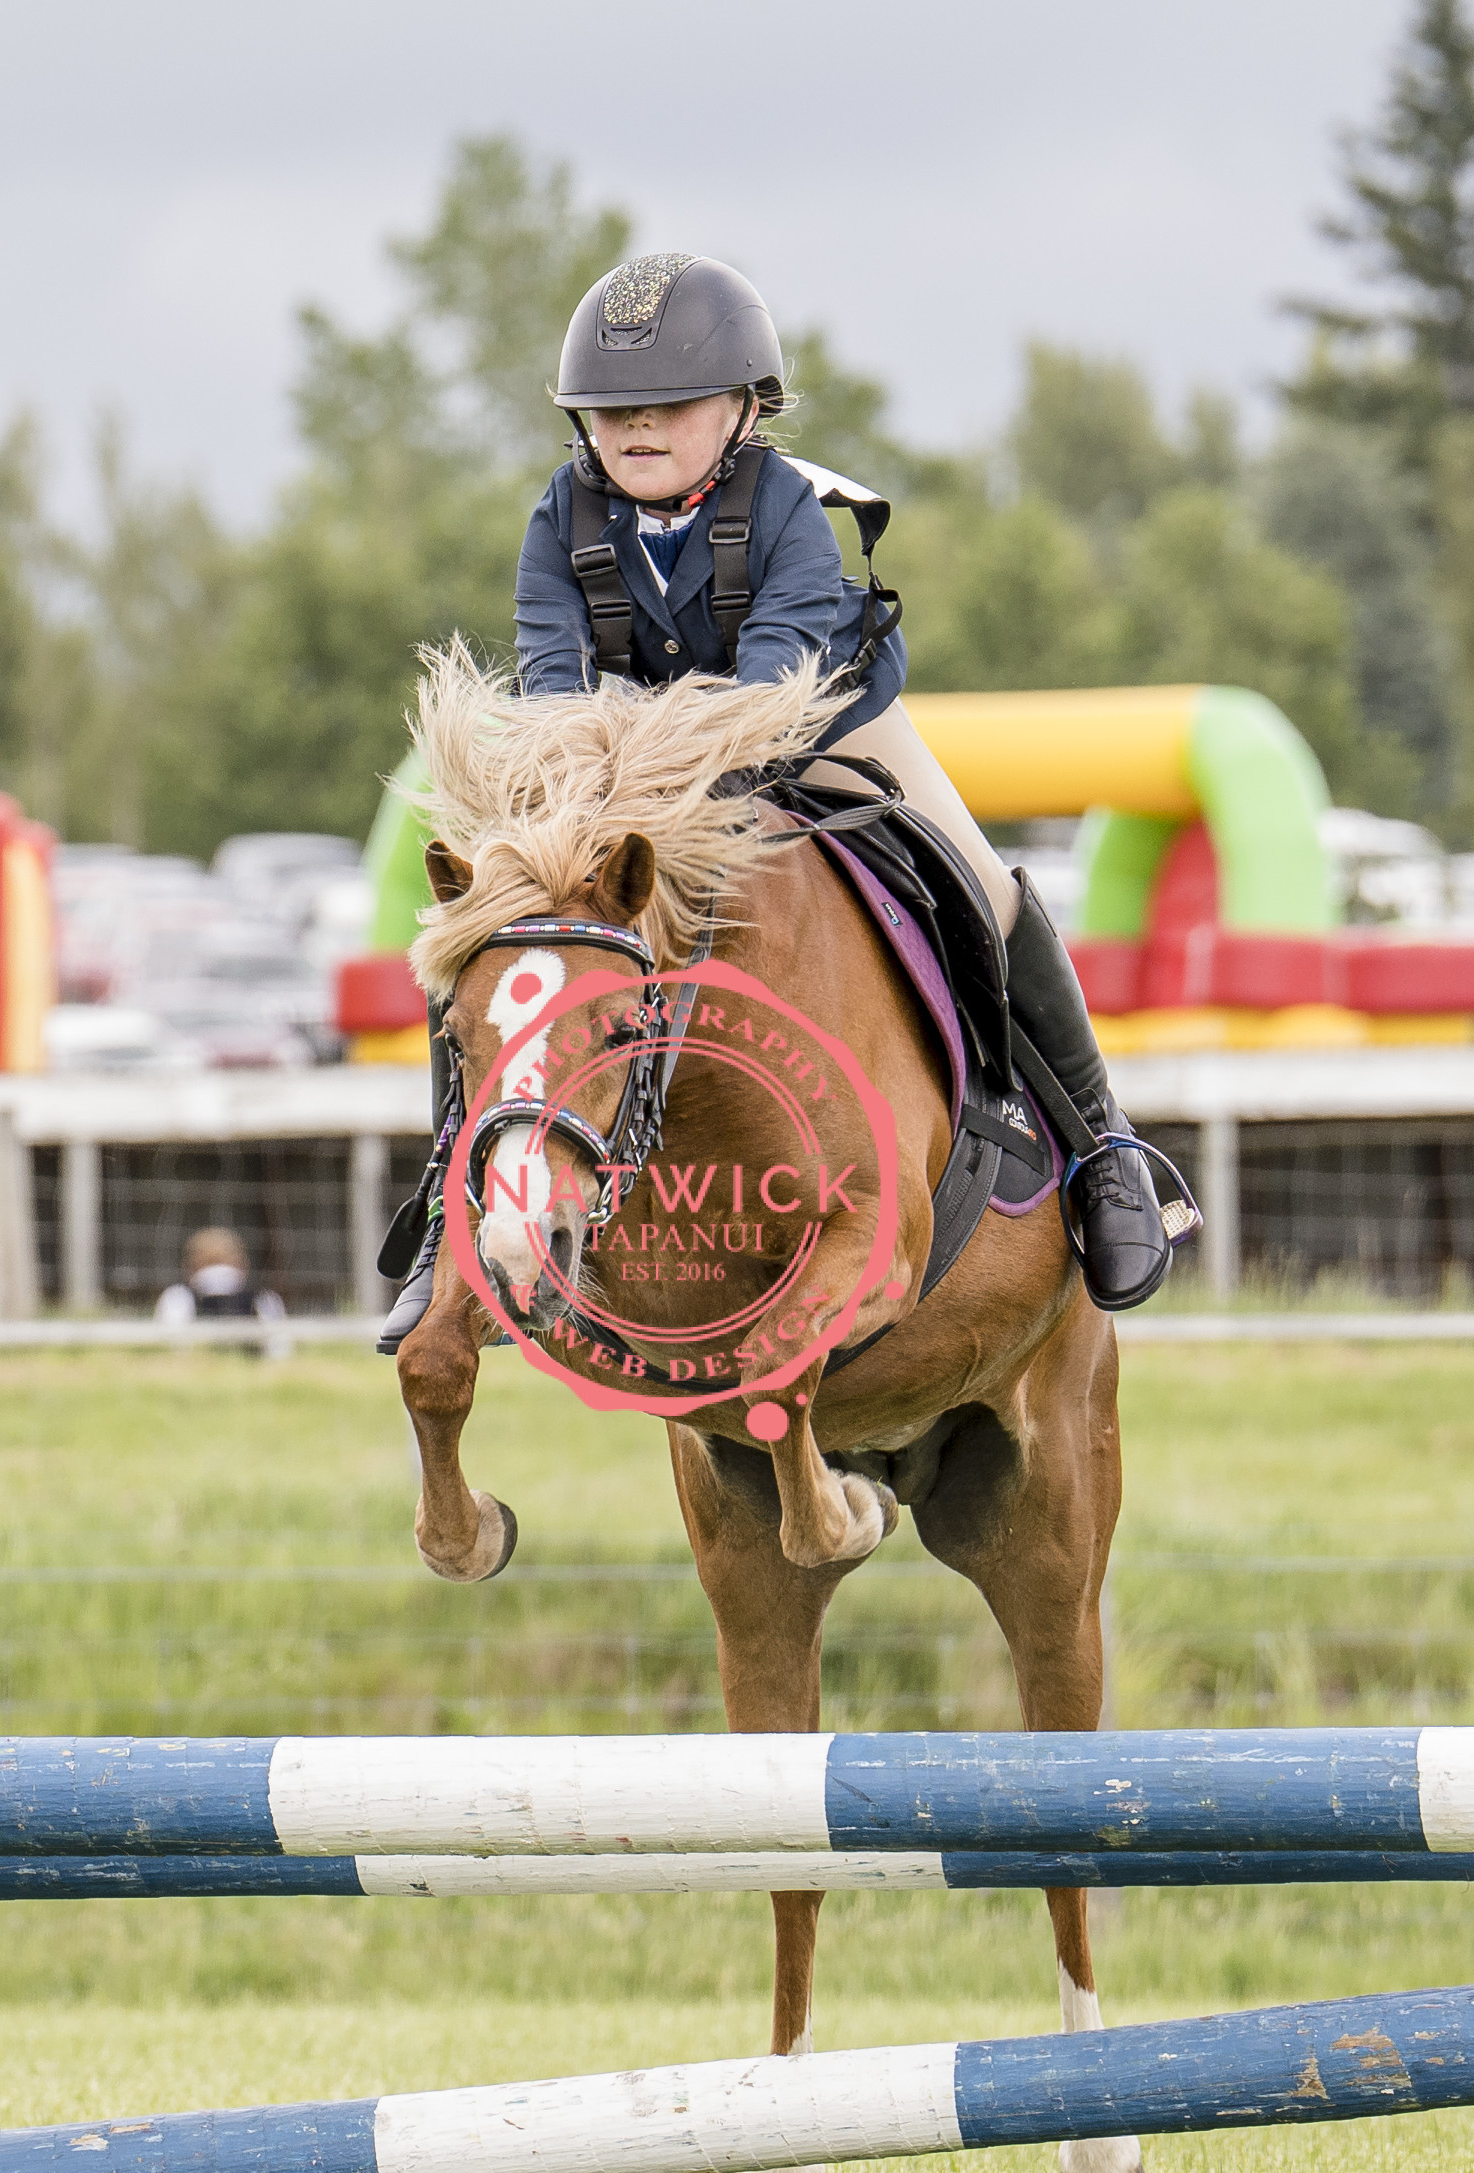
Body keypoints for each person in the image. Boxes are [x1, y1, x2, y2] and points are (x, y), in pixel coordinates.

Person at [378, 254, 1178, 1352]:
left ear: (744, 410)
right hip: (632, 762)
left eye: (669, 404)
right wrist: (574, 792)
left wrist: (666, 775)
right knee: (490, 938)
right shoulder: (561, 514)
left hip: (819, 728)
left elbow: (773, 676)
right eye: (611, 409)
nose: (635, 427)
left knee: (984, 890)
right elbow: (553, 678)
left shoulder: (787, 506)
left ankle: (1104, 1152)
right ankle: (449, 1214)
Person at [156, 1228, 291, 1357]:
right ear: (242, 1262)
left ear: (190, 1264)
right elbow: (280, 1349)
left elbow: (169, 1345)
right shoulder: (265, 1297)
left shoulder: (177, 1296)